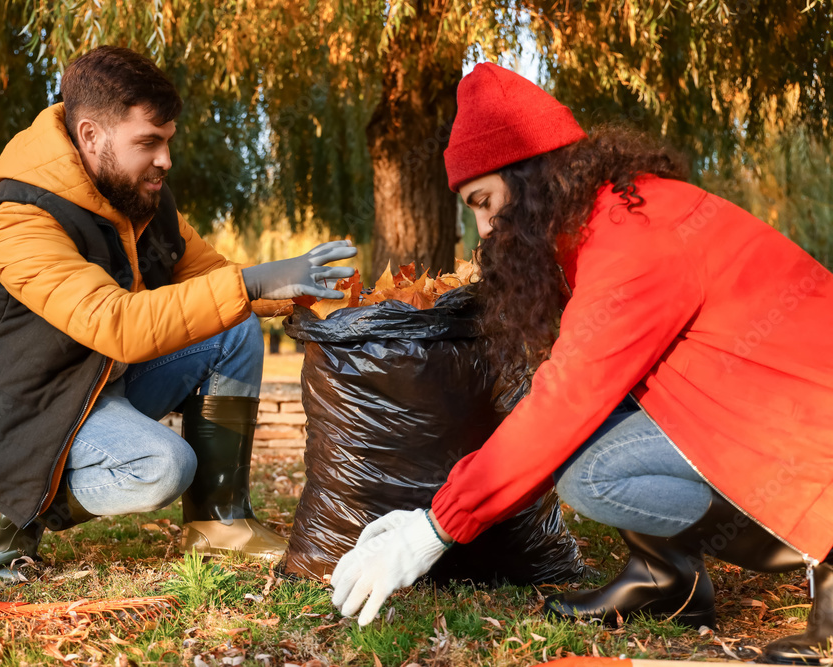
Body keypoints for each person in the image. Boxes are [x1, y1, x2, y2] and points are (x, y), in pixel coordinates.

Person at [331, 62, 833, 665]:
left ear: (531, 175)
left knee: (587, 466)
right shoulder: (609, 217)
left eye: (485, 202)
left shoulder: (633, 240)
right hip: (771, 409)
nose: (485, 229)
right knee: (590, 441)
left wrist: (432, 530)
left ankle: (825, 550)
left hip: (810, 427)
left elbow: (566, 401)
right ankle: (664, 581)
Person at [0, 46, 356, 584]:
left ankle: (219, 523)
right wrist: (251, 282)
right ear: (91, 135)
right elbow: (117, 323)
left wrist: (310, 294)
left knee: (235, 329)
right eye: (148, 143)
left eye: (167, 141)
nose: (165, 160)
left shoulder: (138, 196)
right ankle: (15, 508)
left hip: (95, 380)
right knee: (164, 467)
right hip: (21, 413)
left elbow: (213, 280)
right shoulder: (19, 219)